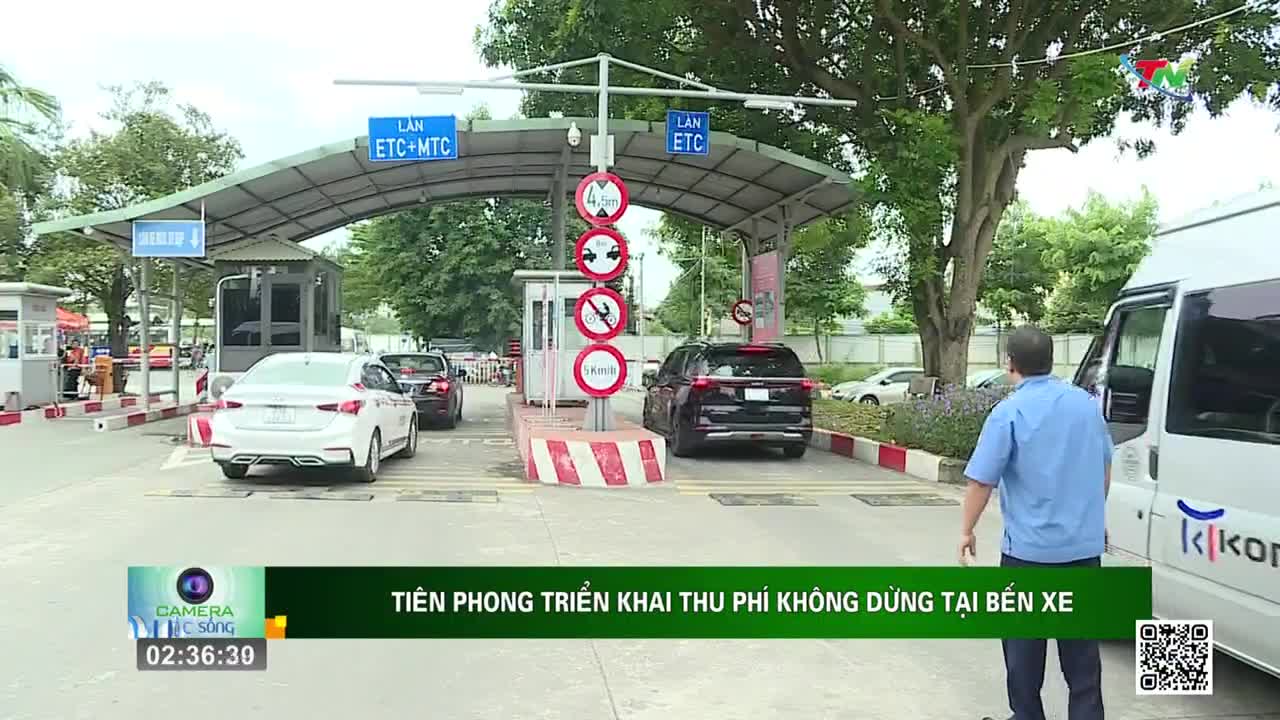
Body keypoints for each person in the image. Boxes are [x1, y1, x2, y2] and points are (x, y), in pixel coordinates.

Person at [959, 325, 1112, 720]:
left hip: (1027, 557)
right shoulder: (1084, 405)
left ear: (1010, 364)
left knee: (1024, 654)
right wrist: (1090, 517)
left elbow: (981, 480)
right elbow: (1104, 467)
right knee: (1082, 657)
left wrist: (966, 530)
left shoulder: (1009, 412)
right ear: (1051, 360)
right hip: (1082, 552)